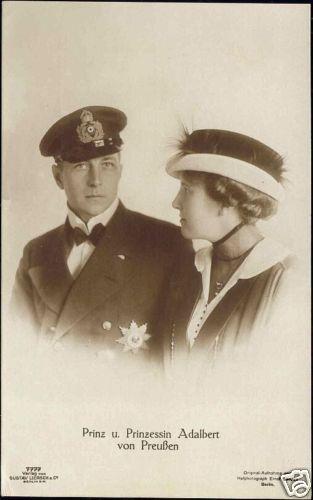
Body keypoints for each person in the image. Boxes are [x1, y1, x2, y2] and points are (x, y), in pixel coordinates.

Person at [10, 105, 192, 364]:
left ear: (120, 170)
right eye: (81, 166)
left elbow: (179, 358)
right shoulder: (36, 253)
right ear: (58, 176)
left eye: (107, 164)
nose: (96, 180)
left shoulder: (166, 244)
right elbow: (17, 356)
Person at [164, 128, 298, 373]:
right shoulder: (192, 266)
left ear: (226, 201)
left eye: (187, 190)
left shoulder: (286, 281)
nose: (175, 202)